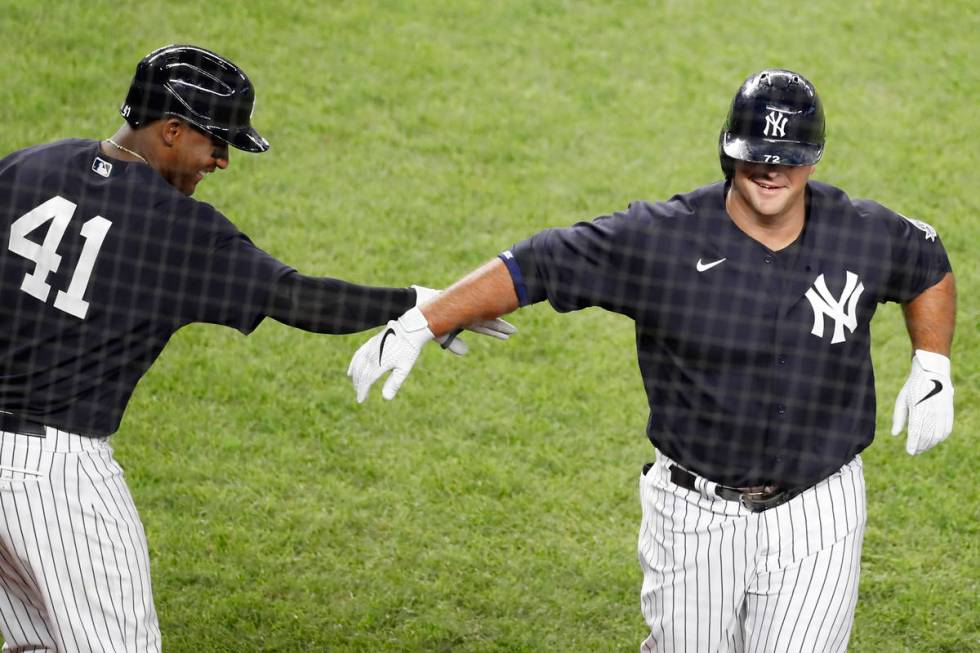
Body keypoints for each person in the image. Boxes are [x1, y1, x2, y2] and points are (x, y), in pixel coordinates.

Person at [347, 69, 956, 651]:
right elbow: (540, 262)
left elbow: (927, 261)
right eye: (756, 155)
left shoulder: (861, 231)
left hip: (819, 510)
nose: (771, 171)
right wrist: (423, 321)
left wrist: (932, 365)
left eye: (788, 157)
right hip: (694, 514)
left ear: (813, 158)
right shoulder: (661, 240)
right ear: (726, 150)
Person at [0, 44, 512, 652]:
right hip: (56, 479)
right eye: (215, 142)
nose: (220, 160)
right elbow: (300, 300)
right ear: (170, 129)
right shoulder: (180, 231)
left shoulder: (26, 167)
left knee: (35, 642)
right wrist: (422, 304)